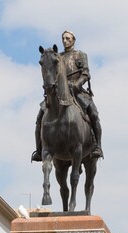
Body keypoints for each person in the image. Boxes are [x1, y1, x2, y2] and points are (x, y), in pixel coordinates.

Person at [32, 30, 104, 162]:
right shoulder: (57, 56)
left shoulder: (80, 55)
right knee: (40, 116)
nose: (65, 41)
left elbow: (86, 73)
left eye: (67, 38)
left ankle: (97, 146)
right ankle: (39, 149)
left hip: (77, 90)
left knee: (93, 113)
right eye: (63, 38)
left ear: (73, 40)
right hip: (59, 92)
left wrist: (77, 84)